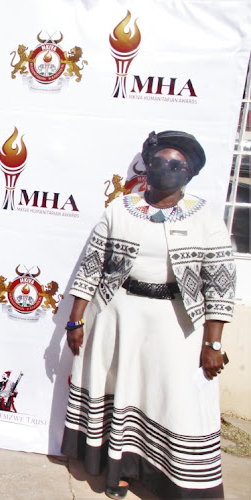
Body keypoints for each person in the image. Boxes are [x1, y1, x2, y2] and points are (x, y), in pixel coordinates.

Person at [62, 131, 236, 499]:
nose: (165, 170)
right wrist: (76, 320)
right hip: (117, 317)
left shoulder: (206, 218)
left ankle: (173, 481)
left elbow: (219, 285)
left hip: (177, 325)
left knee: (172, 399)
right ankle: (119, 469)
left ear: (189, 174)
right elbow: (90, 269)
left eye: (176, 165)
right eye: (158, 162)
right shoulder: (120, 209)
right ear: (147, 166)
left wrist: (213, 343)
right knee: (122, 391)